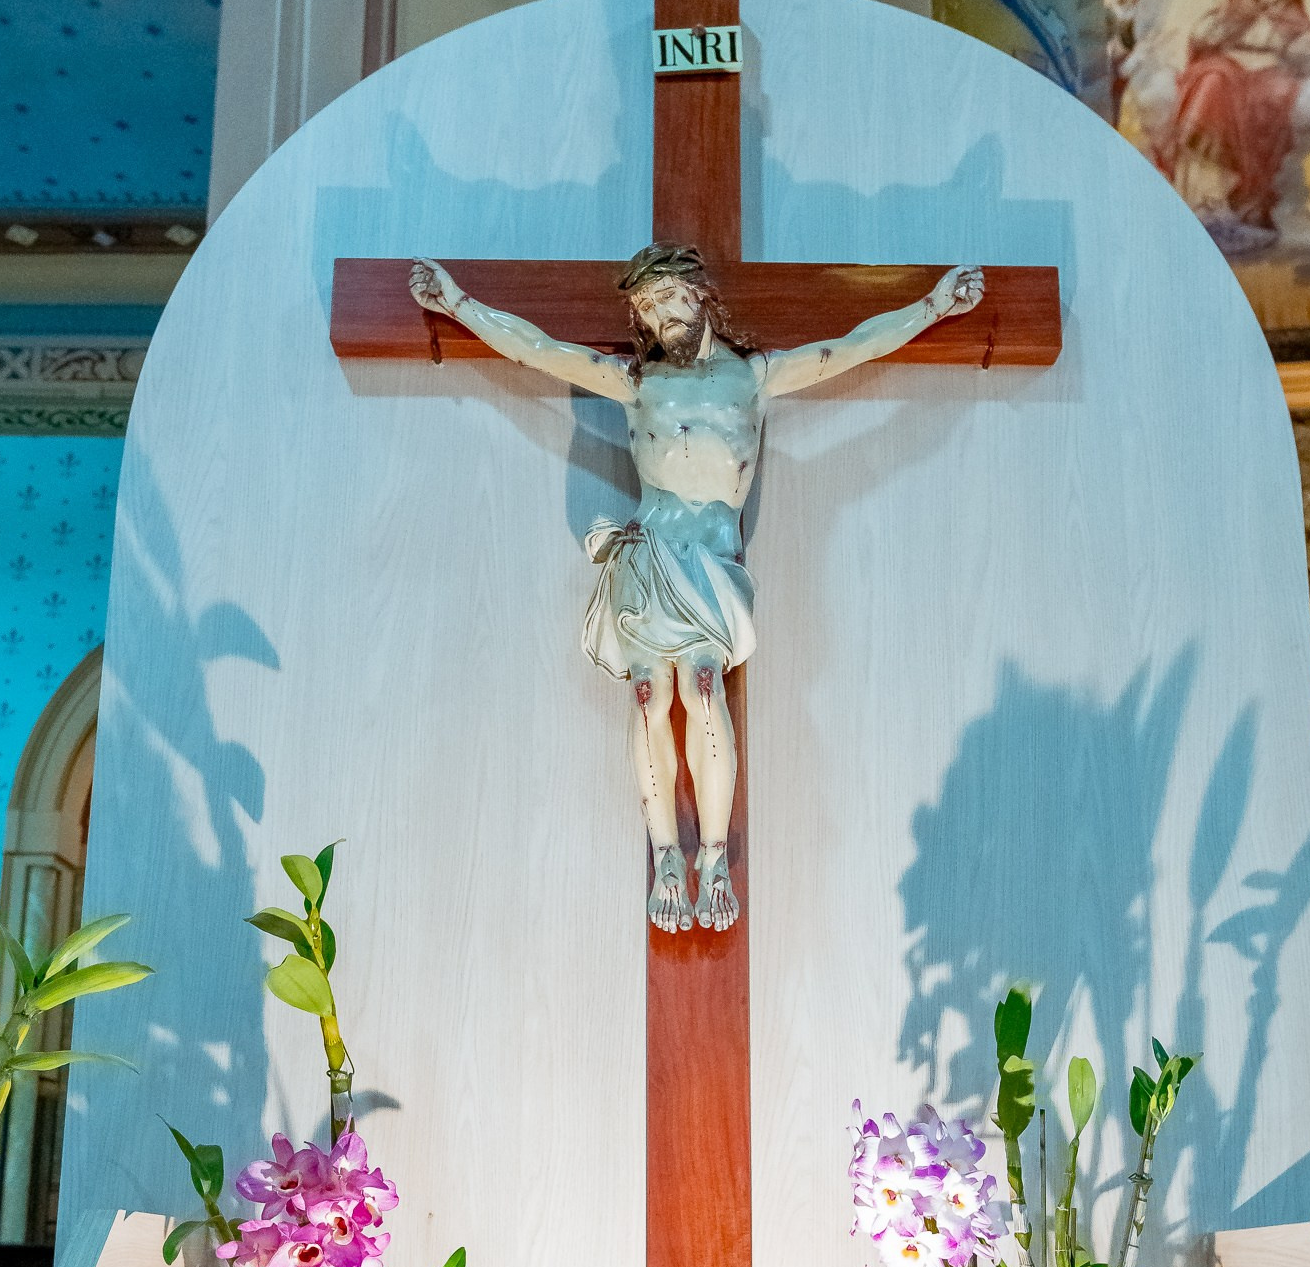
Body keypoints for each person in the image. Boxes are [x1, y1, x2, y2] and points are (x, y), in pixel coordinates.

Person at [410, 244, 984, 933]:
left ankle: (712, 856)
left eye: (665, 297)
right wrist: (456, 303)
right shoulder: (634, 383)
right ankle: (666, 858)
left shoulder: (753, 377)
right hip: (650, 556)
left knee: (704, 689)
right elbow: (537, 349)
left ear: (699, 293)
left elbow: (854, 346)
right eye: (644, 308)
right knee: (651, 697)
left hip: (712, 565)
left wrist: (935, 304)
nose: (656, 316)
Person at [1151, 0, 1310, 234]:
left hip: (1267, 69)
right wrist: (1228, 22)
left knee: (1278, 95)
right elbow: (1209, 30)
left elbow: (1302, 37)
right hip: (1228, 60)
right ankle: (1198, 194)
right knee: (1211, 81)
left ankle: (1243, 197)